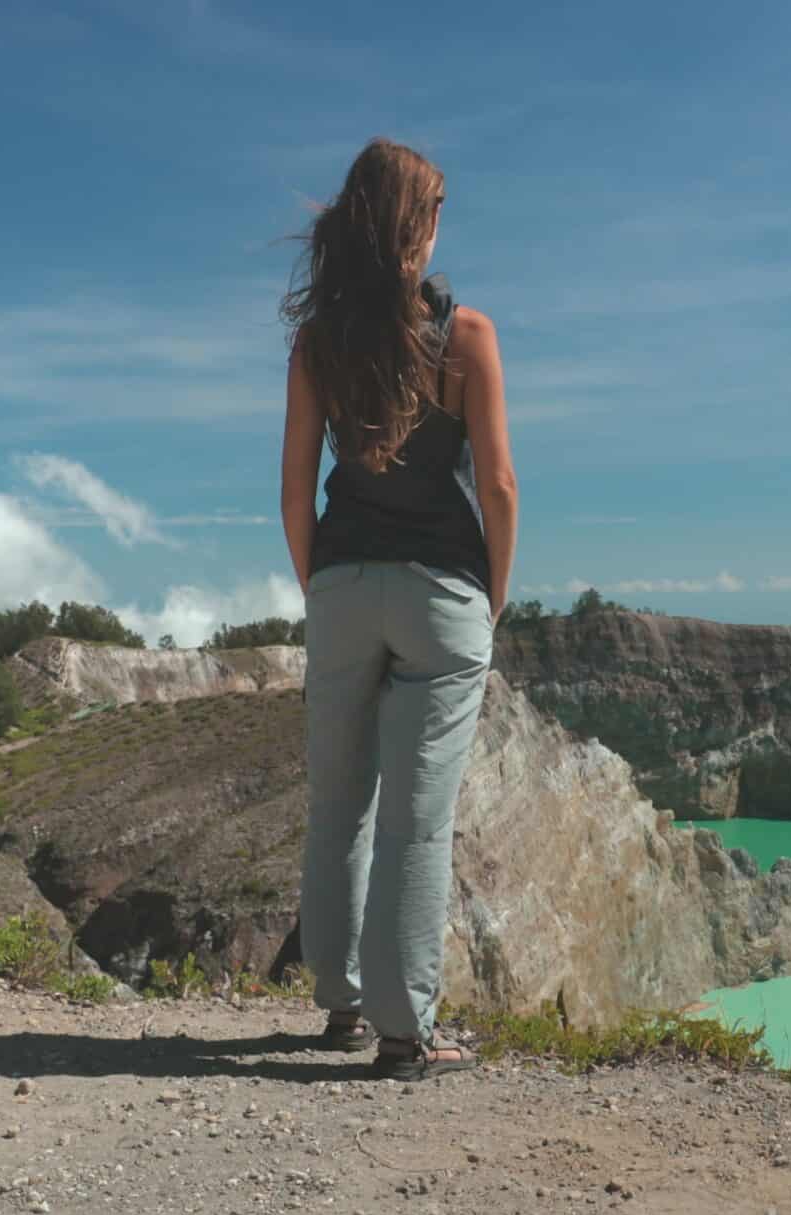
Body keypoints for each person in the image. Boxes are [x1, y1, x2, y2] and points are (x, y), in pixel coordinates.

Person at [277, 137, 518, 1081]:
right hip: (441, 595)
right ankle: (404, 1035)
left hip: (340, 587)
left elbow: (296, 489)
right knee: (417, 819)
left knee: (337, 804)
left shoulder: (319, 343)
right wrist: (489, 598)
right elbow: (496, 484)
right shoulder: (467, 340)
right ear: (418, 224)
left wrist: (320, 587)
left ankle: (336, 1004)